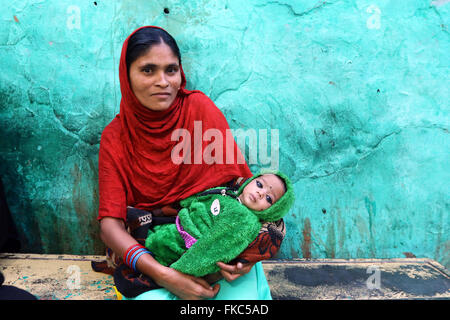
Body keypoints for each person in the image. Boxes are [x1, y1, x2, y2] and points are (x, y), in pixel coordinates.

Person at [95, 26, 288, 300]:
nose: (163, 81)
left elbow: (242, 193)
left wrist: (244, 261)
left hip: (217, 255)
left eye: (171, 70)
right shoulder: (115, 137)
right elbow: (110, 226)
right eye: (148, 70)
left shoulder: (199, 111)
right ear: (127, 76)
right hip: (155, 256)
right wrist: (166, 276)